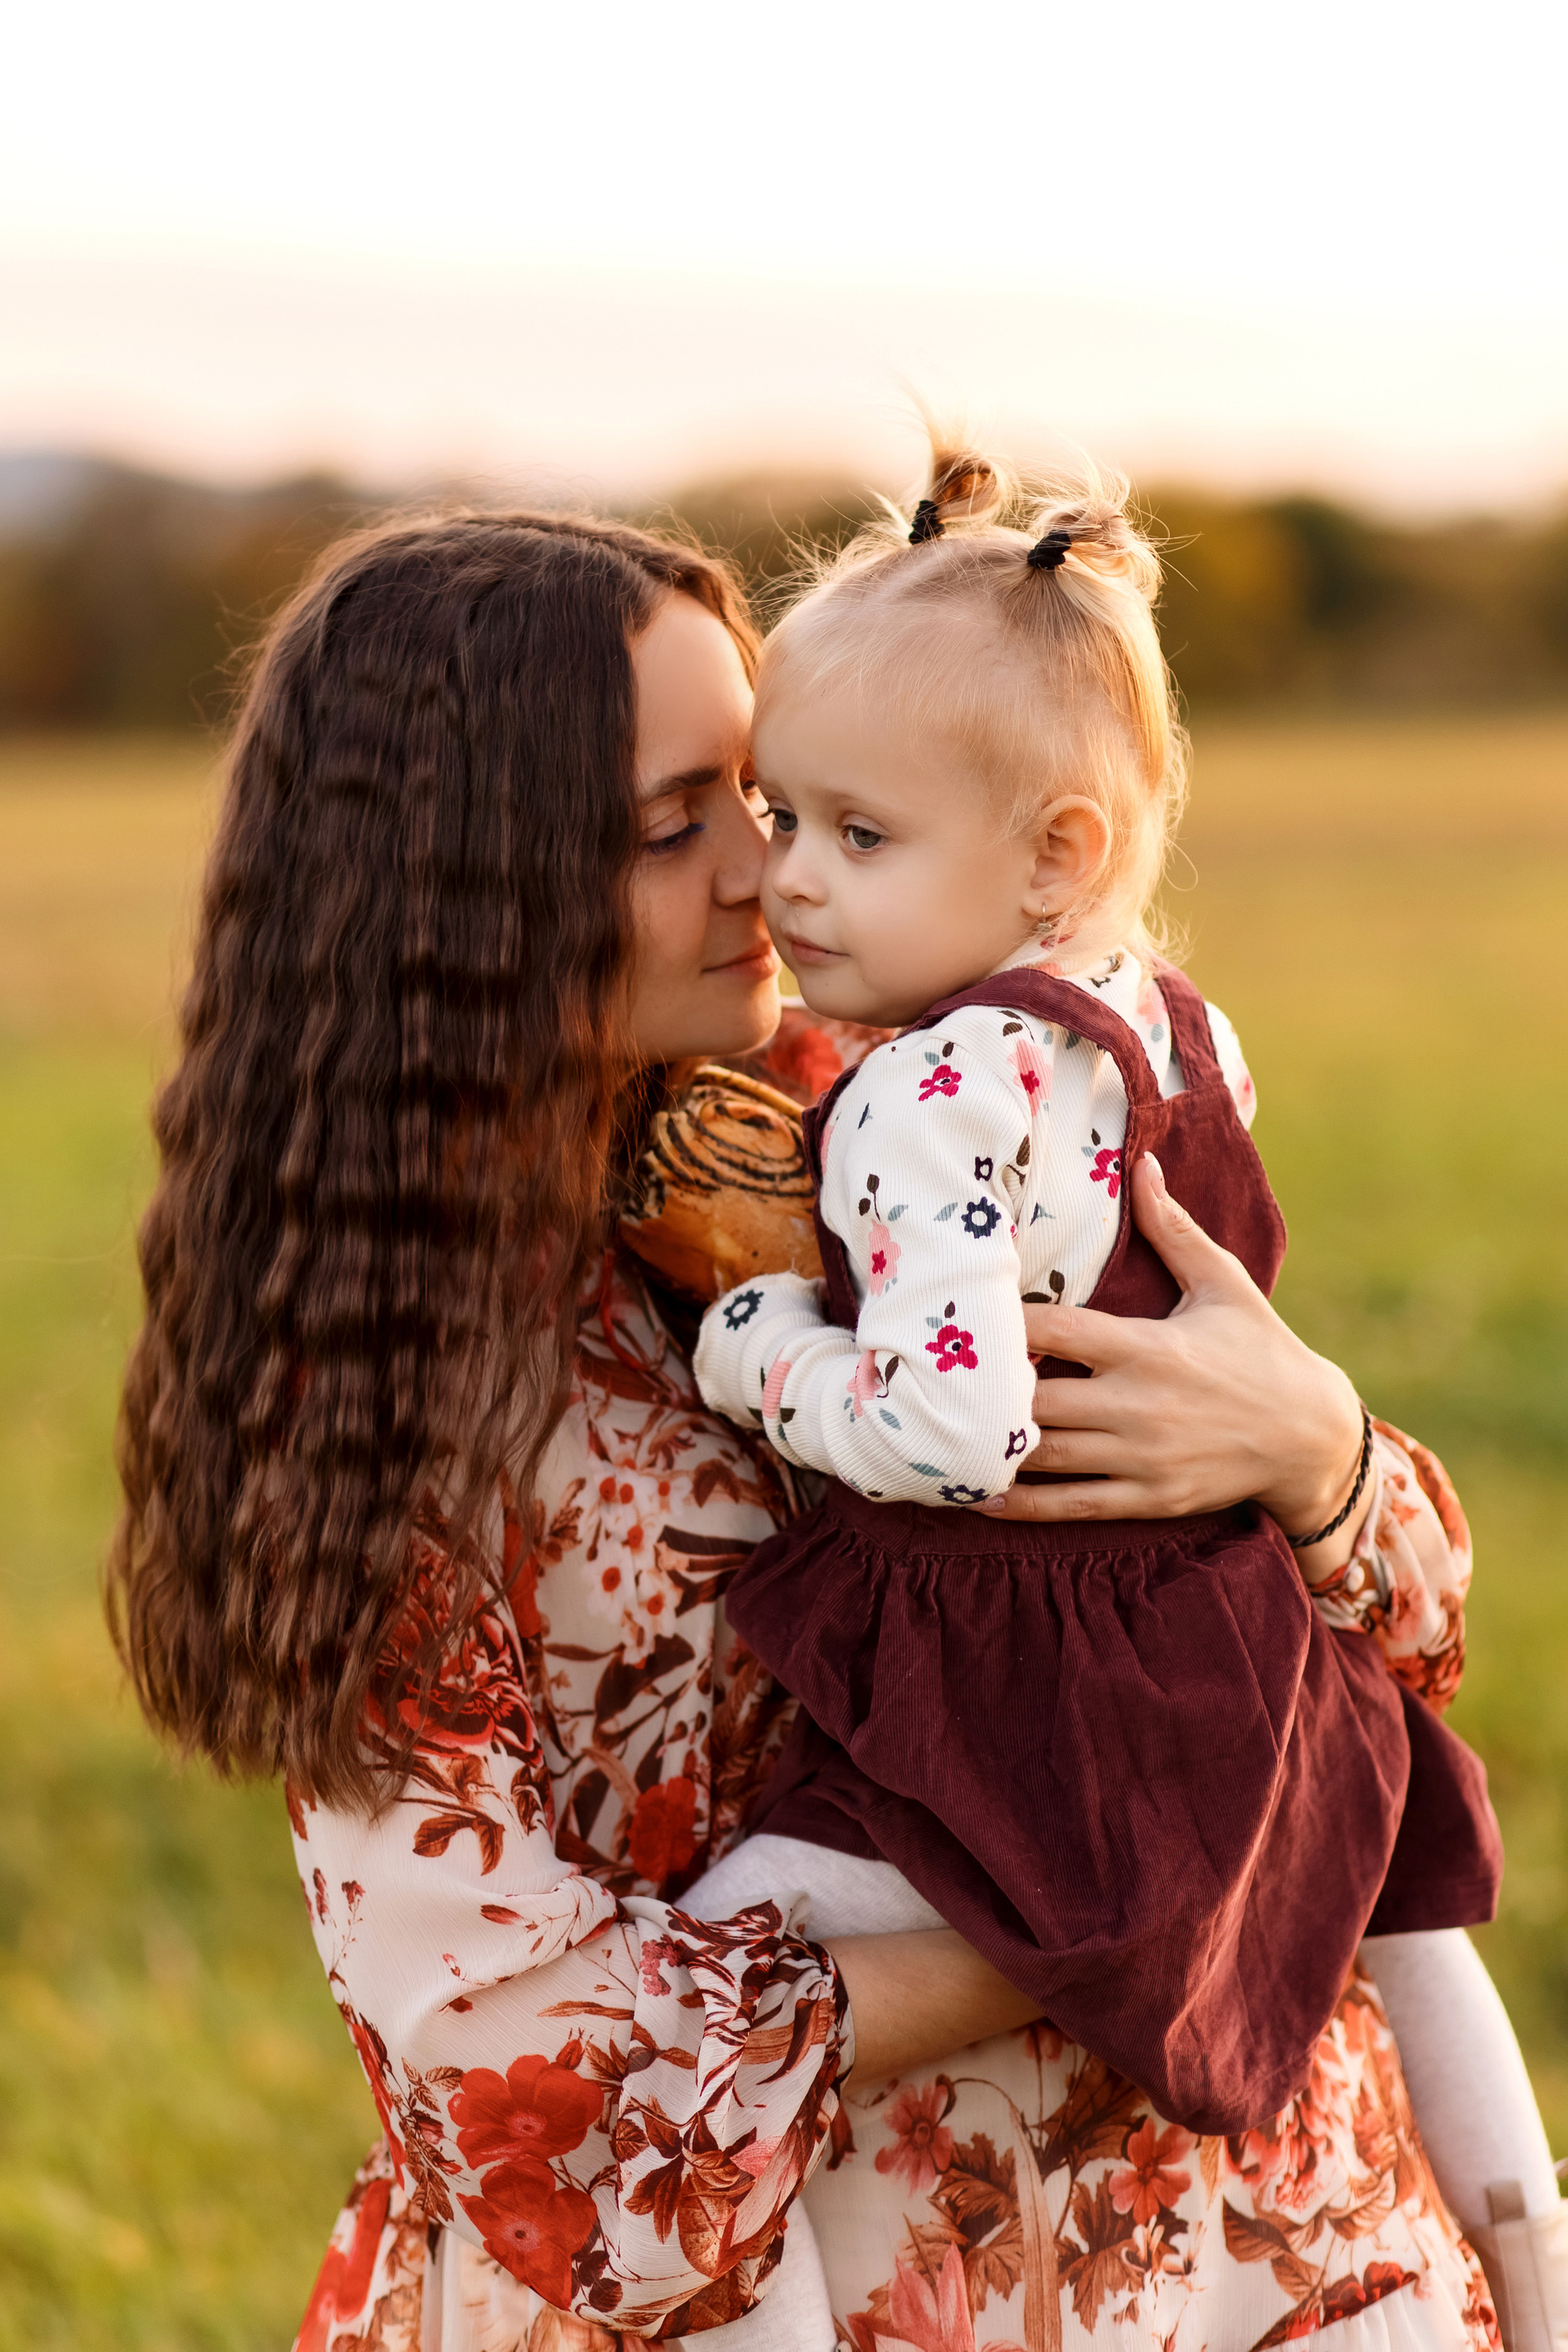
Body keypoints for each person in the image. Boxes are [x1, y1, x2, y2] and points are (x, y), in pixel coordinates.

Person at [104, 504, 1547, 2352]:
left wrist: (1317, 1445)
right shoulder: (378, 1382)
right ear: (455, 888)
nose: (765, 874)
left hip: (1233, 2242)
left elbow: (1388, 1645)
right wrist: (1124, 1916)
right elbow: (516, 2078)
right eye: (671, 823)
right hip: (831, 2280)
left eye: (778, 801)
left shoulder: (912, 1113)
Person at [687, 440, 1562, 2349]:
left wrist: (763, 1356)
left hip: (1028, 1659)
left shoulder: (920, 1092)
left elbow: (954, 1429)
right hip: (1226, 1622)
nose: (785, 877)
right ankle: (1528, 2241)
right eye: (774, 813)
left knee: (718, 1974)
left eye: (856, 833)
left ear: (1057, 850)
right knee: (1387, 1837)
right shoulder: (1173, 1021)